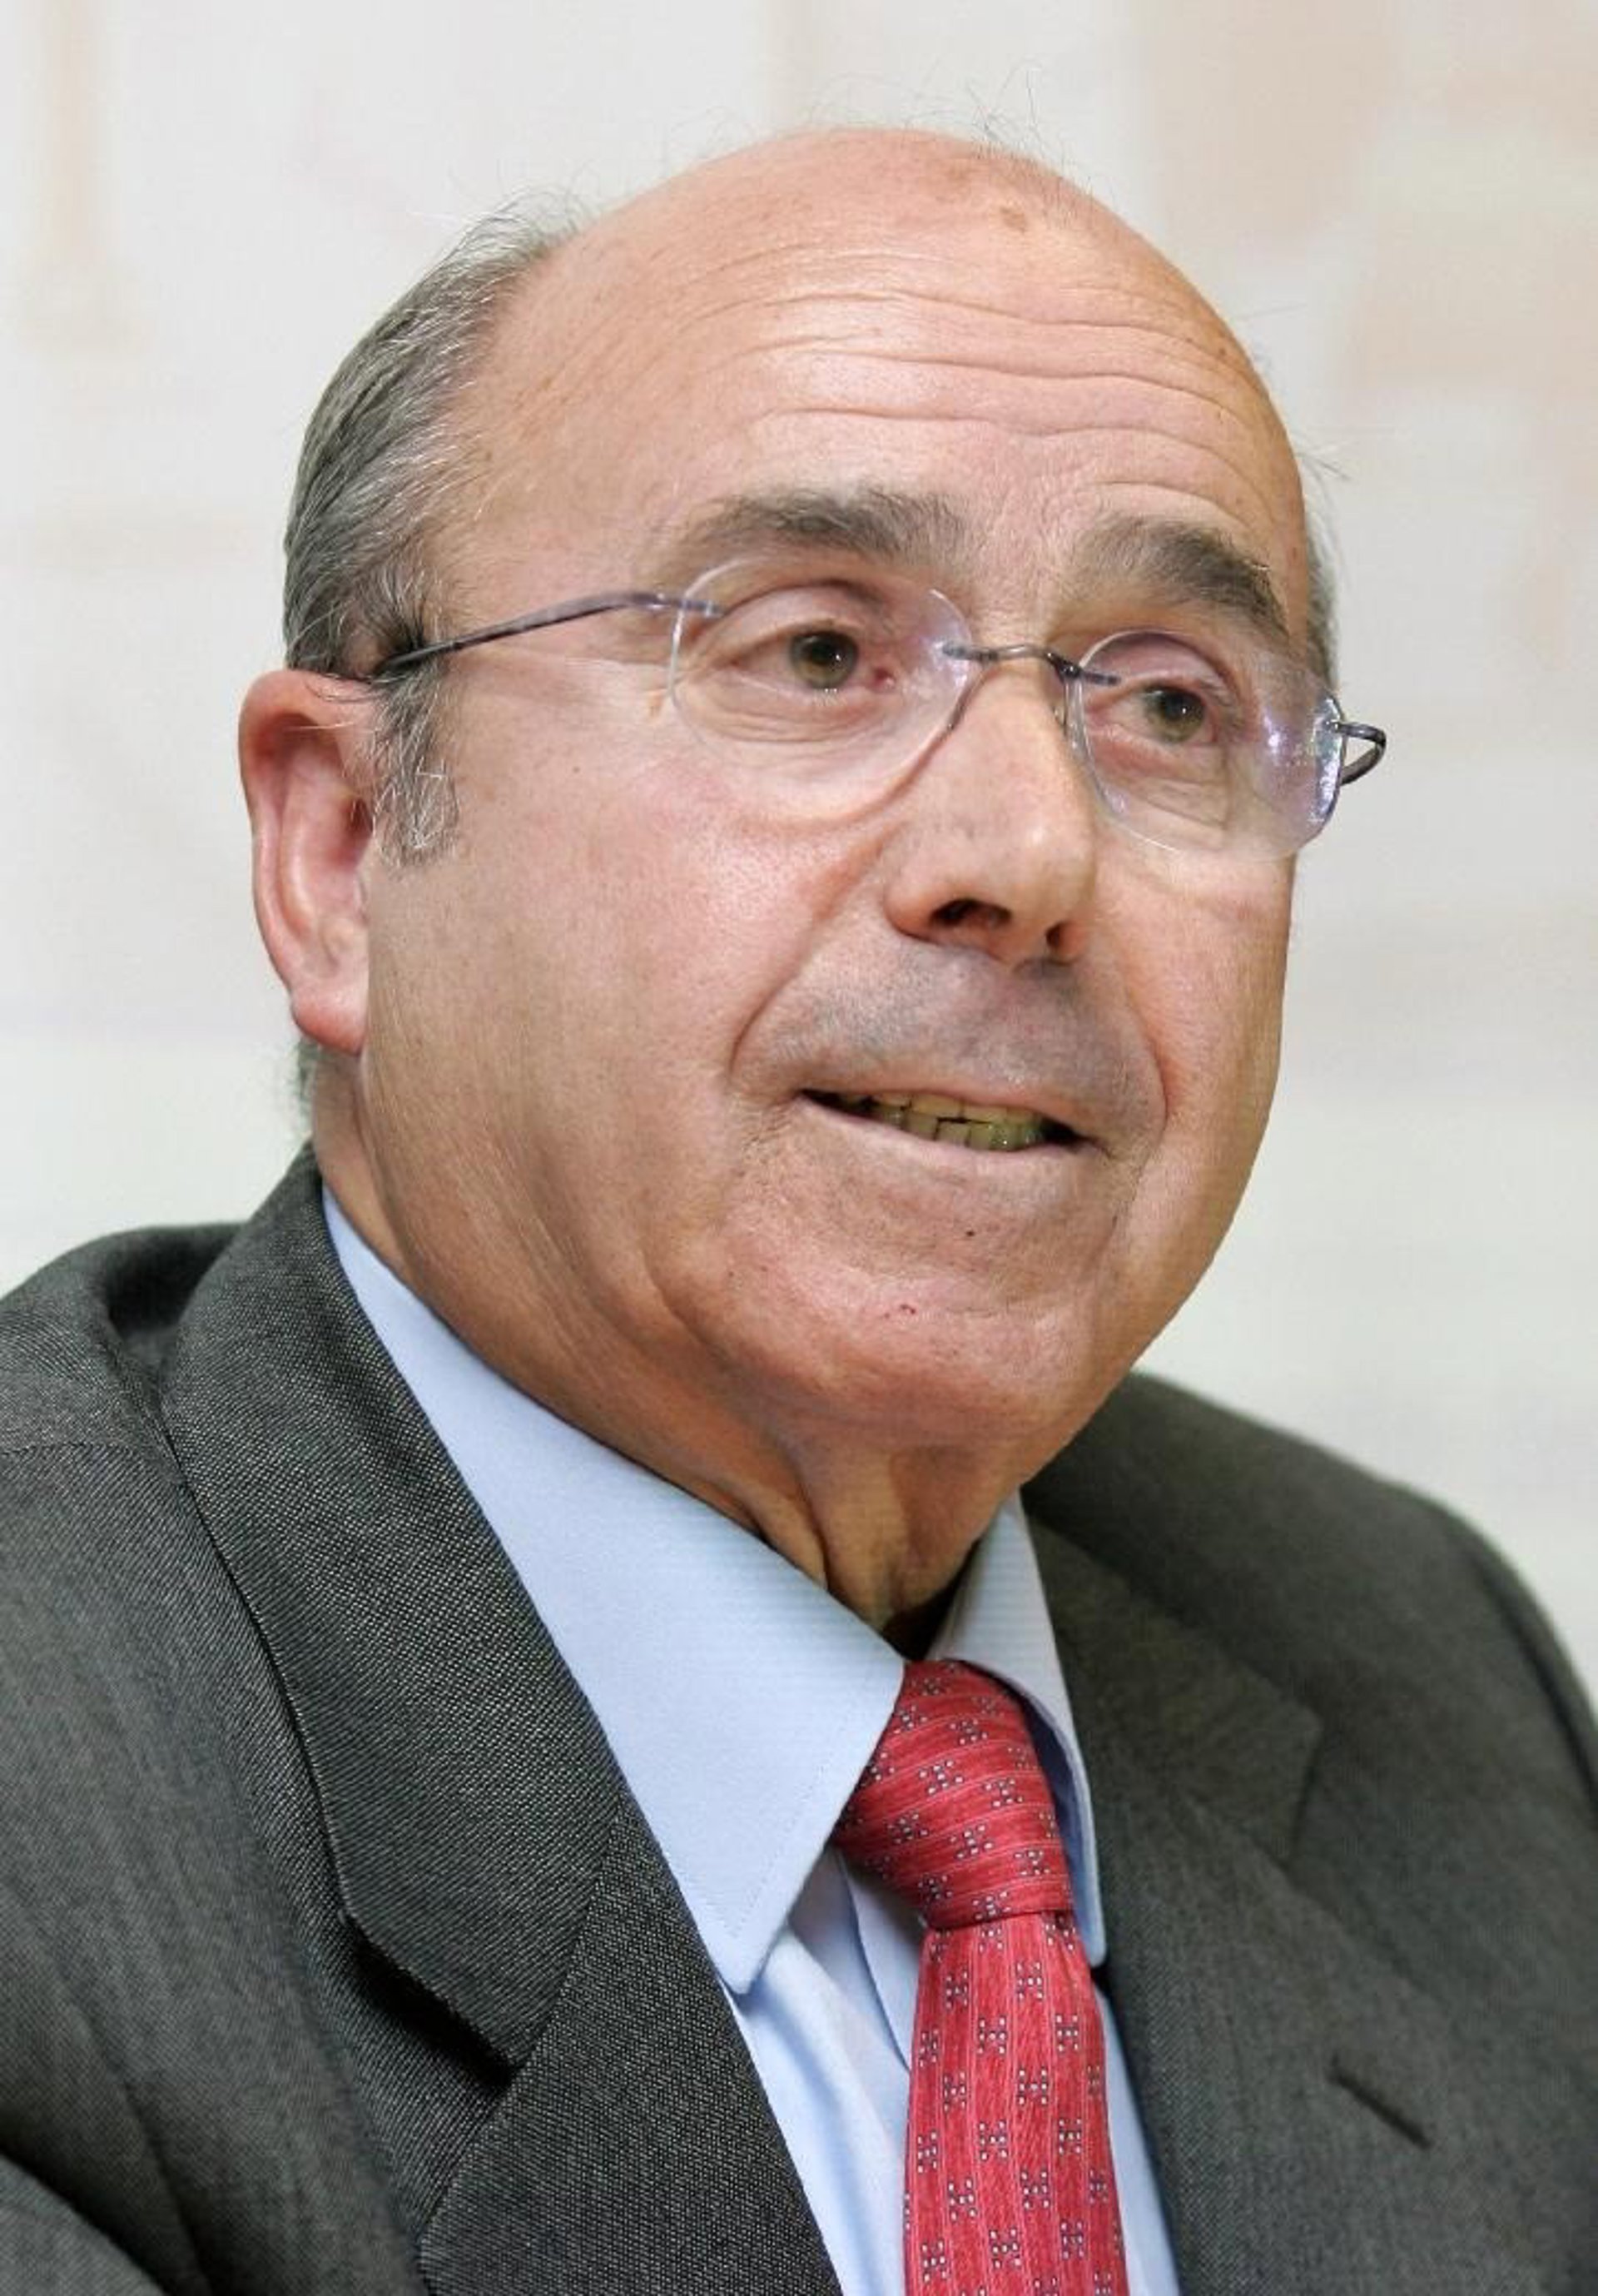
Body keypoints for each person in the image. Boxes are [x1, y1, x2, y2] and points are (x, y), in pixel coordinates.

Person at [2, 127, 1593, 2296]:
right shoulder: (54, 1795)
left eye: (1168, 704)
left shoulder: (1428, 1668)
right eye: (818, 654)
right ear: (345, 850)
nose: (1027, 854)